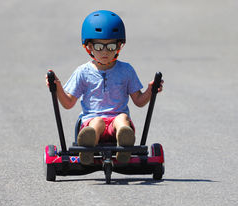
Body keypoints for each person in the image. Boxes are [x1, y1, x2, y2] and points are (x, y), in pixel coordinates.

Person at [46, 10, 163, 165]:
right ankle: (88, 144)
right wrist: (57, 87)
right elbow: (68, 103)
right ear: (89, 47)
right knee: (98, 122)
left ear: (119, 46)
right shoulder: (83, 72)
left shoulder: (126, 70)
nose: (106, 52)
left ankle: (124, 142)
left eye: (111, 46)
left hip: (117, 123)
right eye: (99, 46)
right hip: (92, 120)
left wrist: (150, 90)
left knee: (122, 118)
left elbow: (139, 101)